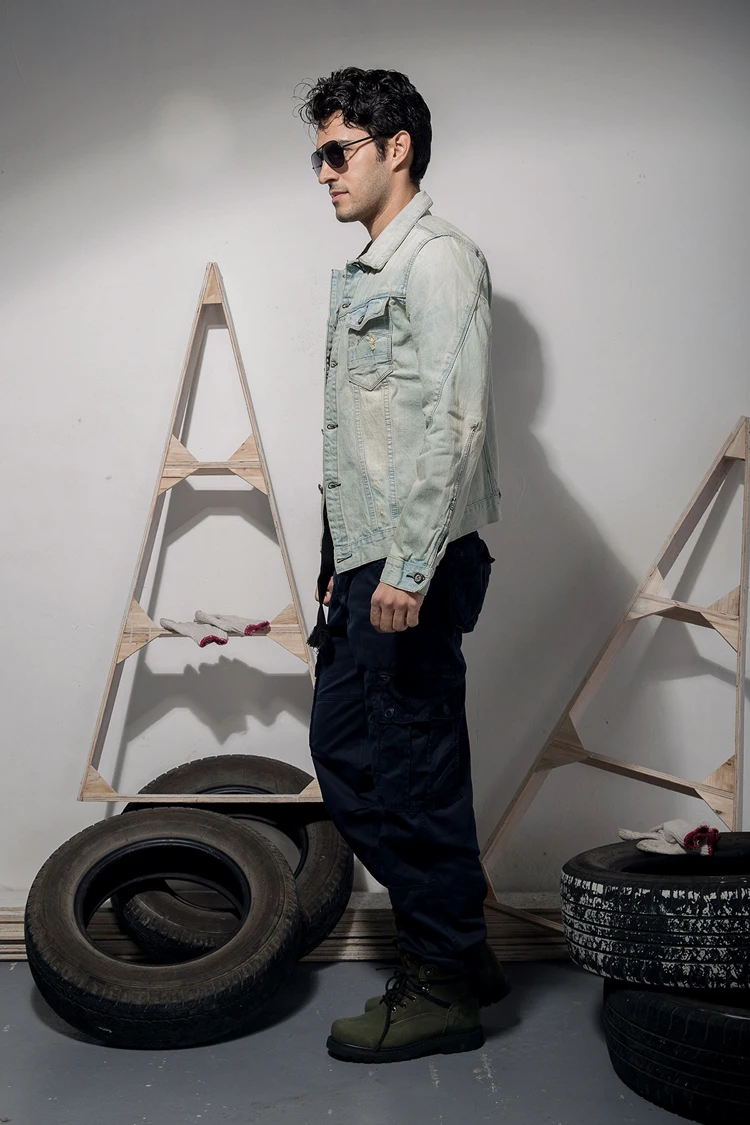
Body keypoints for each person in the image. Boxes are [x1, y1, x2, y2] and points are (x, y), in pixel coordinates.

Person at [297, 67, 508, 1065]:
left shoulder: (438, 260)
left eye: (338, 152)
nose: (324, 173)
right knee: (346, 756)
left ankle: (443, 988)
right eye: (317, 157)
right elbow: (362, 440)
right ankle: (460, 942)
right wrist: (341, 562)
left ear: (397, 148)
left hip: (414, 562)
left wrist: (410, 569)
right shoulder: (366, 270)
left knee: (413, 775)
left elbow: (454, 425)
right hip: (369, 559)